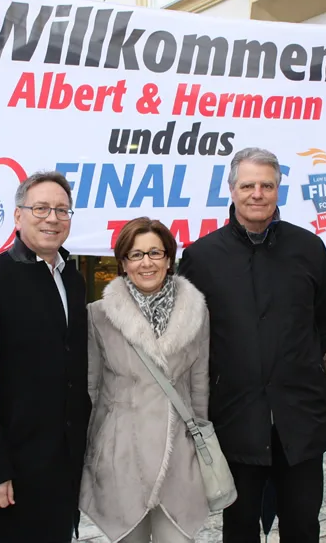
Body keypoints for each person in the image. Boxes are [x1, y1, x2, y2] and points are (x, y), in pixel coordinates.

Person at [178, 147, 326, 542]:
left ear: (278, 190)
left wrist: (296, 364)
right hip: (234, 418)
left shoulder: (309, 248)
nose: (257, 193)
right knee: (239, 528)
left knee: (303, 526)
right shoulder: (200, 256)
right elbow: (190, 334)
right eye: (248, 185)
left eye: (266, 185)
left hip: (299, 417)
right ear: (231, 190)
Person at [0, 171, 91, 543]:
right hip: (12, 471)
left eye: (62, 210)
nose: (52, 218)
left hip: (61, 465)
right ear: (17, 216)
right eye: (41, 208)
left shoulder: (72, 279)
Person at [81, 217, 210, 543]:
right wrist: (95, 452)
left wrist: (200, 443)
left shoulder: (196, 311)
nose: (146, 262)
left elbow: (199, 382)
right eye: (136, 255)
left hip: (178, 452)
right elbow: (91, 387)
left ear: (169, 258)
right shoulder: (98, 315)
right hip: (121, 454)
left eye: (155, 252)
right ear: (123, 262)